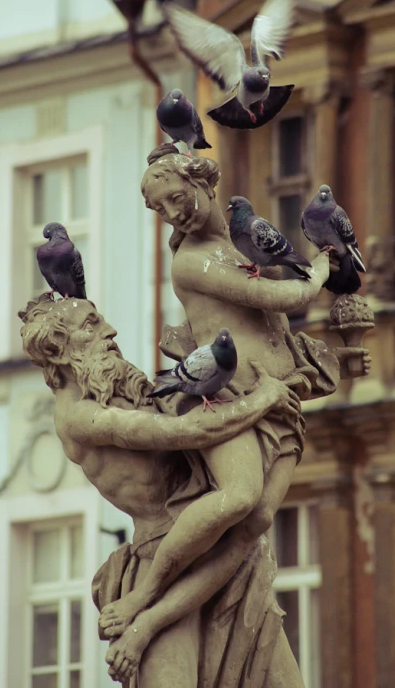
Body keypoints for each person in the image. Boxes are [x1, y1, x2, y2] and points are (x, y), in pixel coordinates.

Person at [99, 145, 369, 681]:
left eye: (177, 198)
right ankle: (142, 606)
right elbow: (281, 300)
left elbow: (274, 332)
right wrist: (319, 272)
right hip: (229, 398)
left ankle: (163, 617)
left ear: (203, 182)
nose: (174, 214)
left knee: (256, 525)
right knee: (239, 496)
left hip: (283, 400)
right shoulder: (192, 261)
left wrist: (335, 356)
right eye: (162, 210)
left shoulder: (235, 244)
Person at [19, 295, 310, 688]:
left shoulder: (119, 384)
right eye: (91, 325)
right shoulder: (79, 418)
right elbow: (184, 432)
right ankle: (143, 622)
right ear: (59, 350)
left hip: (224, 548)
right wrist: (263, 399)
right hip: (162, 563)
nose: (110, 331)